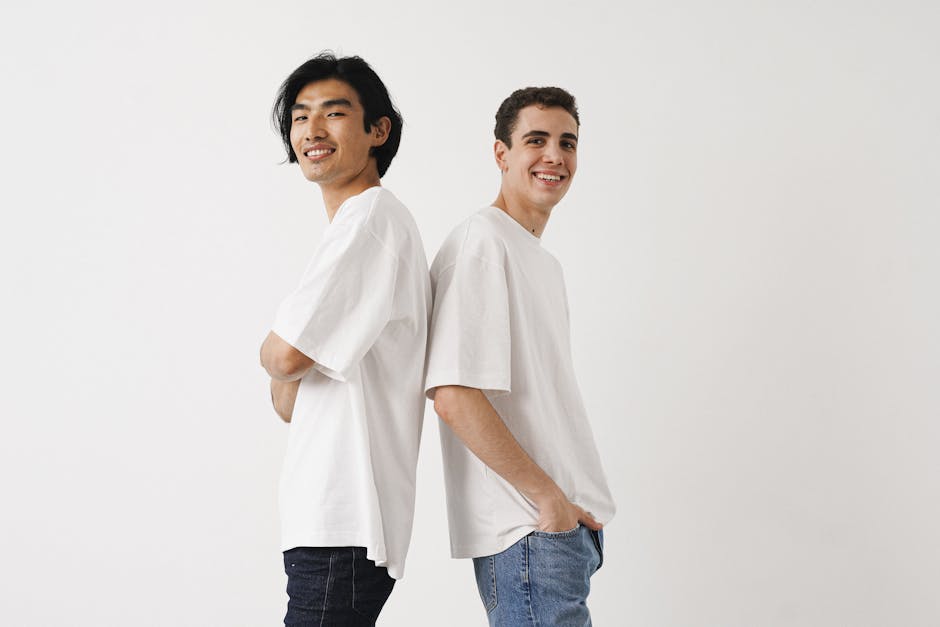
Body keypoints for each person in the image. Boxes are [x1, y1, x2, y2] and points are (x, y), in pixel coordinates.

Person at [424, 87, 616, 626]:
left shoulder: (541, 261)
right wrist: (548, 501)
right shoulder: (481, 241)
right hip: (530, 531)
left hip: (558, 533)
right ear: (501, 154)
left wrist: (566, 508)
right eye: (536, 140)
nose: (555, 156)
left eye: (567, 143)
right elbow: (455, 396)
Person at [260, 52, 430, 626]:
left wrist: (279, 356)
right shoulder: (350, 231)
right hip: (331, 524)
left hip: (343, 520)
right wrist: (287, 364)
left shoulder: (372, 222)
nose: (312, 129)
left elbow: (283, 357)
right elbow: (287, 400)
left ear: (377, 130)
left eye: (334, 113)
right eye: (301, 115)